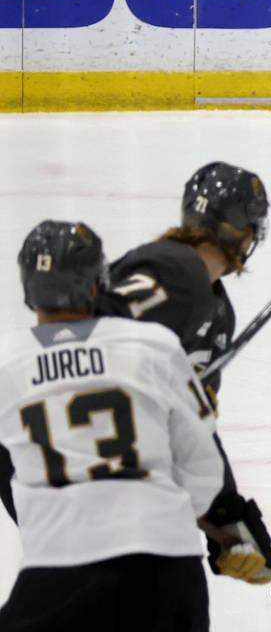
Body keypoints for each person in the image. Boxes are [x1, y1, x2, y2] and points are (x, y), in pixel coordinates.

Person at [0, 220, 238, 631]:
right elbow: (203, 468)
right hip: (168, 570)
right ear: (96, 284)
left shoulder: (6, 363)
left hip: (59, 570)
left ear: (27, 289)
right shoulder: (154, 345)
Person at [94, 160, 271, 586]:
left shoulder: (215, 312)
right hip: (67, 465)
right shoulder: (173, 270)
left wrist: (227, 518)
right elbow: (91, 342)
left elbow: (194, 425)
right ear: (241, 231)